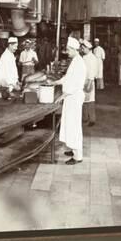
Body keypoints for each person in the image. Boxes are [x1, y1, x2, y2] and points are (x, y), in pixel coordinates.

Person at [50, 37, 86, 165]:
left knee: (74, 126)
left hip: (74, 97)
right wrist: (56, 82)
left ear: (73, 49)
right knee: (70, 124)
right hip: (71, 97)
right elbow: (68, 78)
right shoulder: (75, 61)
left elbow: (75, 84)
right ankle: (73, 149)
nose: (66, 52)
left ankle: (77, 156)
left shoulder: (79, 62)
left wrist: (62, 96)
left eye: (68, 50)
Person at [80, 40, 98, 126]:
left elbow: (93, 71)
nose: (82, 50)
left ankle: (92, 120)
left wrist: (90, 82)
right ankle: (85, 117)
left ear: (88, 48)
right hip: (83, 80)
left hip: (89, 81)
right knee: (84, 100)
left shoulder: (92, 58)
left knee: (90, 100)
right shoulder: (84, 57)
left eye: (83, 48)